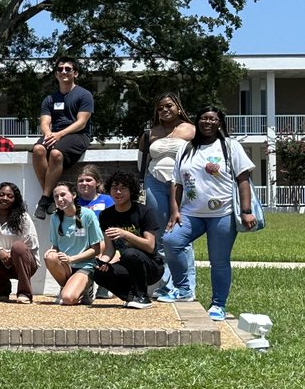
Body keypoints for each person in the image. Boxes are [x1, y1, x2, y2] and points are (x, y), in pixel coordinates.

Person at [160, 105, 256, 321]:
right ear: (197, 121)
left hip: (222, 213)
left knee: (219, 261)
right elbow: (176, 183)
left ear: (219, 122)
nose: (208, 122)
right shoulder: (185, 149)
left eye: (213, 119)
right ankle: (183, 289)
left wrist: (246, 211)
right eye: (204, 118)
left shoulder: (230, 147)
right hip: (190, 213)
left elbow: (243, 180)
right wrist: (174, 211)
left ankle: (218, 305)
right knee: (171, 241)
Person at [139, 92, 197, 298]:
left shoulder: (191, 130)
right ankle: (166, 284)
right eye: (160, 107)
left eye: (169, 106)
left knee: (180, 234)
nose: (164, 110)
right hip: (154, 183)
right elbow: (142, 161)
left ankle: (186, 286)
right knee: (161, 236)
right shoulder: (150, 133)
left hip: (181, 185)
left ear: (178, 108)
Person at [32, 56, 94, 219]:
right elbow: (45, 122)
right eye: (60, 69)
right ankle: (51, 196)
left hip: (77, 135)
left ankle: (44, 200)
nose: (63, 72)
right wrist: (48, 134)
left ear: (76, 73)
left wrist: (59, 134)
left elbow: (81, 123)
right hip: (55, 134)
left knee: (55, 154)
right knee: (38, 149)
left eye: (68, 69)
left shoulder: (84, 95)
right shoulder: (50, 99)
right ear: (56, 74)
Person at [93, 170, 163, 309]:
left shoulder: (144, 212)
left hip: (151, 267)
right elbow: (109, 249)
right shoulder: (106, 215)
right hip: (126, 265)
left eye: (123, 188)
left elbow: (150, 246)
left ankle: (143, 297)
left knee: (129, 253)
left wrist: (125, 234)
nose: (118, 192)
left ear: (131, 191)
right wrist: (102, 261)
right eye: (114, 188)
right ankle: (132, 296)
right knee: (99, 273)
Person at [0, 182, 39, 303]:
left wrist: (10, 253)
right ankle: (3, 291)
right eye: (1, 194)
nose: (5, 198)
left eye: (10, 196)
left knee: (18, 247)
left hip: (25, 263)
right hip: (0, 262)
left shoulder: (23, 218)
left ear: (15, 200)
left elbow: (32, 245)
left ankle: (24, 293)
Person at [43, 180, 104, 305]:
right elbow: (55, 246)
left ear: (74, 195)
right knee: (50, 256)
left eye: (63, 195)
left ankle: (86, 287)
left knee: (68, 299)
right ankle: (65, 287)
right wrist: (52, 252)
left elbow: (96, 249)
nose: (60, 199)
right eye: (56, 196)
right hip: (66, 266)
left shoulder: (88, 215)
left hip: (84, 265)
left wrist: (72, 259)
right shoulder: (55, 218)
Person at [75, 164, 114, 299]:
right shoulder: (74, 202)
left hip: (104, 239)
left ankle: (103, 285)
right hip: (80, 240)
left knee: (102, 245)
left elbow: (111, 224)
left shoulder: (108, 200)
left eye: (88, 180)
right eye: (81, 180)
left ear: (97, 183)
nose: (84, 183)